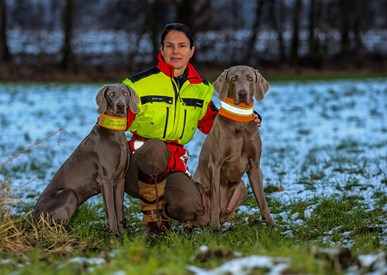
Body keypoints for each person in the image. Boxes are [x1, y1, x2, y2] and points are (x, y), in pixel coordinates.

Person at [122, 23, 261, 235]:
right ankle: (154, 221)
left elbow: (215, 124)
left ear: (191, 51)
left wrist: (248, 117)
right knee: (156, 147)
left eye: (182, 46)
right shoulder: (138, 85)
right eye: (169, 45)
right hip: (136, 168)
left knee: (191, 207)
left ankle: (166, 212)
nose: (175, 51)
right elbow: (111, 127)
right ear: (161, 50)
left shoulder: (201, 89)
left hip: (172, 167)